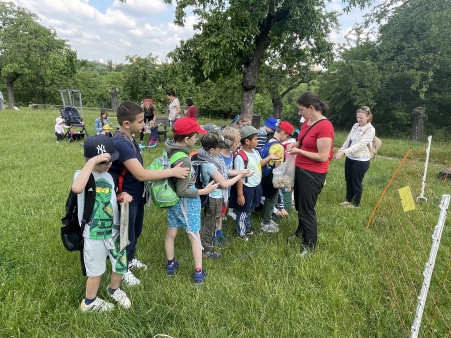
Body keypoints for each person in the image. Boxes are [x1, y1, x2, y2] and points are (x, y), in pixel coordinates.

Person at [109, 101, 190, 286]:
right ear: (126, 124)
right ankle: (122, 269)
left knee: (135, 231)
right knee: (125, 234)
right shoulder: (120, 143)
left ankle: (129, 259)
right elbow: (141, 174)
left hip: (137, 195)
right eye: (140, 122)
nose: (144, 125)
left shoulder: (130, 139)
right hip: (126, 197)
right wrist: (172, 172)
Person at [72, 135, 133, 311]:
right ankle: (89, 302)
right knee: (96, 270)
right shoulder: (82, 175)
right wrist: (91, 163)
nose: (108, 165)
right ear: (90, 161)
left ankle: (114, 289)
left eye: (110, 160)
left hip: (115, 231)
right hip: (93, 234)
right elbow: (77, 188)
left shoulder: (110, 176)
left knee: (120, 264)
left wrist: (122, 197)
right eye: (103, 162)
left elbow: (113, 198)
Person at [164, 117, 218, 285]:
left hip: (172, 202)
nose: (197, 139)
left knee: (171, 233)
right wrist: (205, 190)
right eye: (196, 136)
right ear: (186, 139)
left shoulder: (170, 150)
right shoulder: (185, 159)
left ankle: (171, 265)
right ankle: (198, 272)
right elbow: (183, 190)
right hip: (186, 203)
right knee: (195, 236)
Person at [287, 92, 334, 257]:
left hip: (313, 174)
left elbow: (322, 156)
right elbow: (304, 139)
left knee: (307, 209)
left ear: (311, 108)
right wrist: (297, 143)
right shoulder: (308, 122)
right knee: (300, 205)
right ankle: (300, 232)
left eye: (301, 110)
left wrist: (299, 150)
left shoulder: (325, 126)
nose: (300, 113)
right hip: (300, 168)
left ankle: (310, 245)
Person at [199, 131, 252, 259]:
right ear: (212, 149)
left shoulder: (213, 158)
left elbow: (225, 171)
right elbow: (224, 183)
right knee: (210, 225)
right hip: (214, 198)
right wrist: (241, 175)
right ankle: (206, 250)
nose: (222, 148)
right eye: (220, 147)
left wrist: (240, 171)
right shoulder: (209, 164)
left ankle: (206, 246)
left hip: (217, 197)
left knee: (213, 222)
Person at [229, 125, 280, 241]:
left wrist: (270, 157)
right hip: (246, 188)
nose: (258, 141)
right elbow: (239, 177)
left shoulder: (255, 152)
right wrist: (240, 195)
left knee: (250, 209)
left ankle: (248, 228)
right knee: (243, 211)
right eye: (256, 139)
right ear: (247, 141)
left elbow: (259, 164)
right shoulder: (240, 157)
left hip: (256, 186)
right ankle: (241, 234)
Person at [334, 106, 375, 208]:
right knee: (348, 179)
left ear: (368, 117)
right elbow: (349, 140)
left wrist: (345, 151)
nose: (359, 120)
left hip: (361, 160)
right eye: (357, 117)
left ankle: (356, 204)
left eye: (361, 118)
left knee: (356, 181)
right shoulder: (355, 125)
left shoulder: (370, 129)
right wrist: (341, 150)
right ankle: (348, 200)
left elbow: (360, 144)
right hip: (350, 157)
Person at [260, 121, 294, 233]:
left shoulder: (269, 140)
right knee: (271, 200)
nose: (287, 138)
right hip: (272, 176)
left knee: (268, 199)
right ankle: (266, 223)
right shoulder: (279, 147)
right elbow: (278, 168)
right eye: (287, 136)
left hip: (264, 175)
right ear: (283, 133)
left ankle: (266, 219)